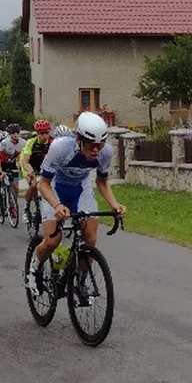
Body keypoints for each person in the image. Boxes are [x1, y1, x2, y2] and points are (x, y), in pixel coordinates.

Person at [25, 111, 125, 298]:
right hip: (56, 188)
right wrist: (56, 206)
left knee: (90, 240)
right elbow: (43, 183)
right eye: (91, 145)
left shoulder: (106, 152)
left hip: (80, 188)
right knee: (52, 240)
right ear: (78, 140)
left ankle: (80, 280)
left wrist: (114, 204)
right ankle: (34, 269)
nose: (96, 150)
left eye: (100, 145)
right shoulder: (60, 148)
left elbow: (102, 182)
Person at [18, 119, 53, 214]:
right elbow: (25, 161)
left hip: (44, 165)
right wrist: (30, 172)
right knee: (33, 185)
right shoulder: (31, 142)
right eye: (42, 133)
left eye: (46, 133)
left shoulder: (53, 142)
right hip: (30, 165)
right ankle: (26, 207)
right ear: (37, 133)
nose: (44, 136)